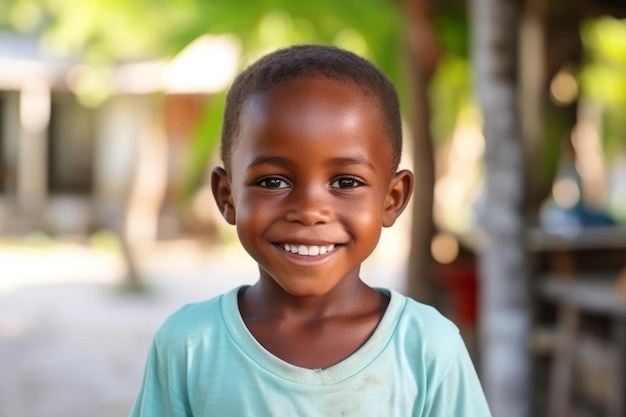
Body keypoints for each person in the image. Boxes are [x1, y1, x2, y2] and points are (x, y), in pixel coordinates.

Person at [128, 44, 492, 417]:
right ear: (227, 196)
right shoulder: (189, 344)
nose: (309, 211)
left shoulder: (425, 346)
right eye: (272, 182)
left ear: (392, 199)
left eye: (346, 182)